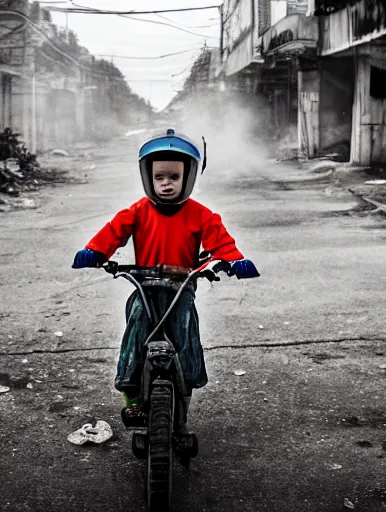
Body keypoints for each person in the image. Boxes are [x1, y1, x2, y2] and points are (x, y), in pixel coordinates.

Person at [71, 129, 259, 438]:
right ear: (149, 177)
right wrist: (94, 251)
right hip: (144, 286)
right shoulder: (137, 211)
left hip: (181, 287)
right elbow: (113, 231)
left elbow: (221, 243)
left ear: (188, 177)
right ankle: (131, 397)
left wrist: (235, 260)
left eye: (174, 176)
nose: (166, 183)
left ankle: (186, 390)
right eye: (159, 177)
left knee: (186, 334)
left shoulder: (202, 215)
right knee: (135, 328)